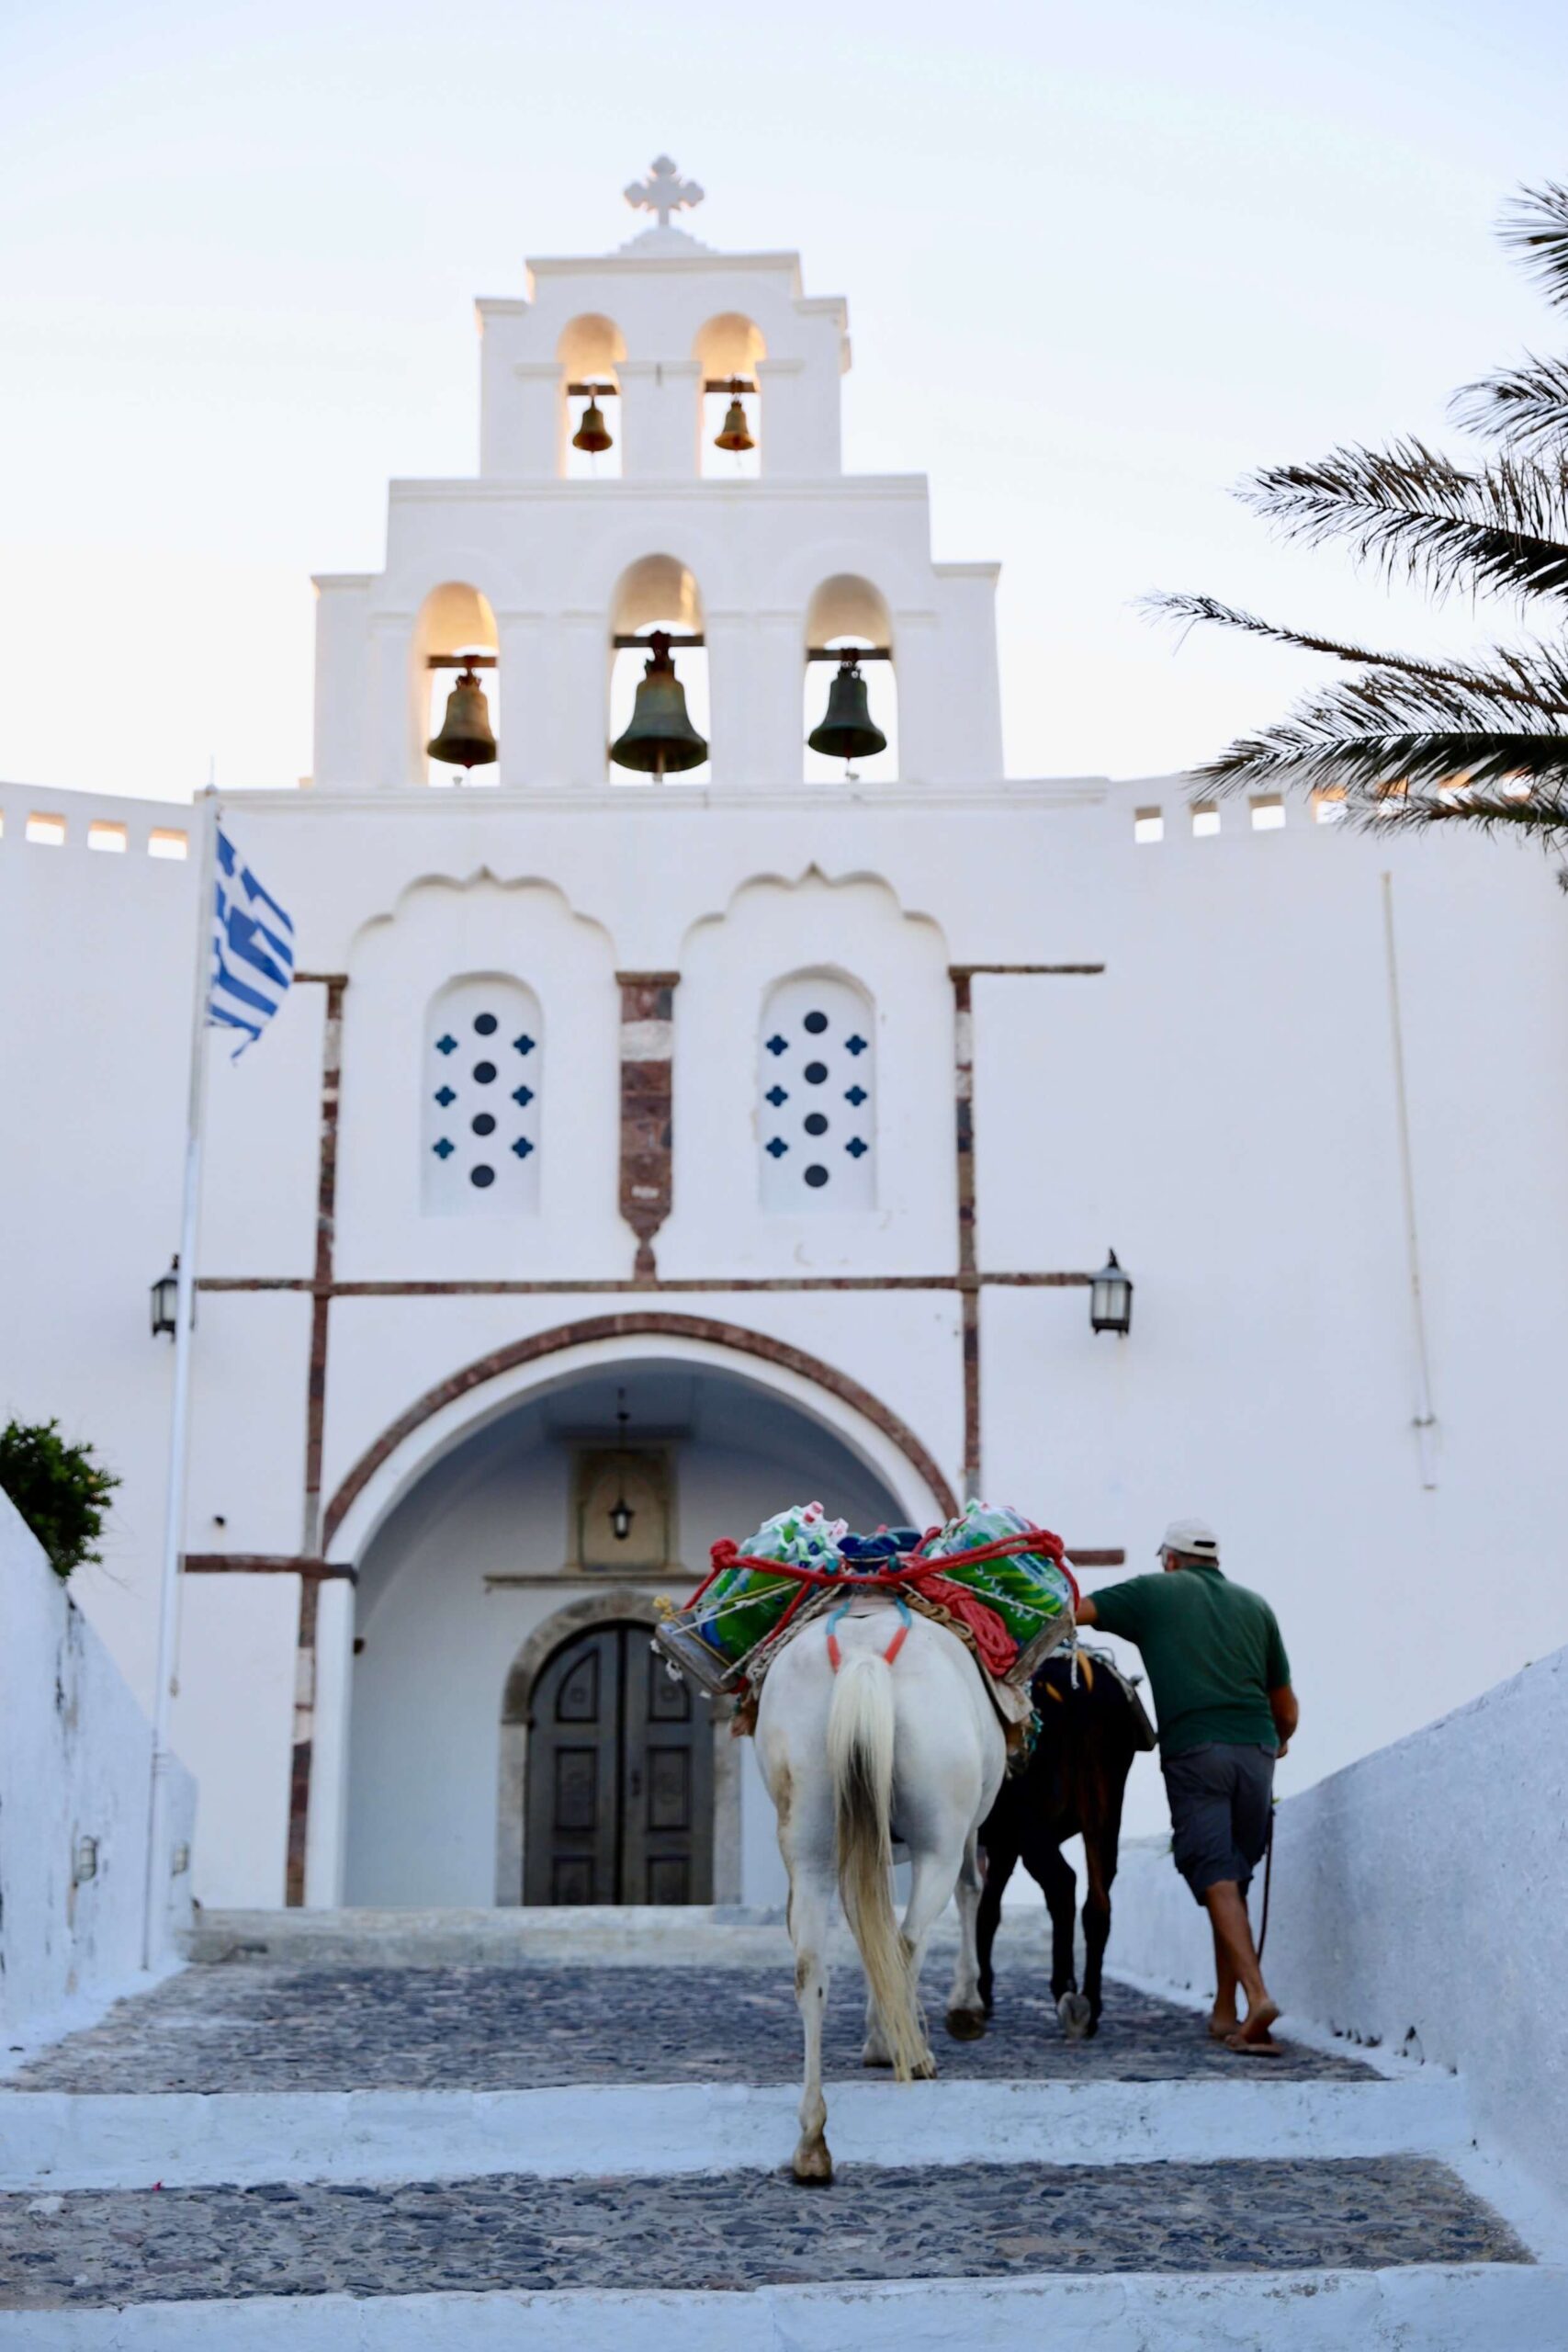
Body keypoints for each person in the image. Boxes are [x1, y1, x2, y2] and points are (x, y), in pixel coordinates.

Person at [1075, 1517, 1298, 2053]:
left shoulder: (1155, 1591)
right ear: (1215, 1560)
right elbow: (1286, 1709)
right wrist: (1278, 1742)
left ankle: (1257, 1996)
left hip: (1197, 1750)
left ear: (1170, 1559)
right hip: (1257, 1750)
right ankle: (1226, 2013)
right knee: (1234, 1881)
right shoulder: (1255, 1606)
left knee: (1216, 1875)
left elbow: (1073, 1612)